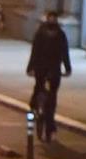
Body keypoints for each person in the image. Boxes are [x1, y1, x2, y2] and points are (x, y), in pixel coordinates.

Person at [26, 9, 72, 141]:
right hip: (44, 69)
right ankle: (36, 107)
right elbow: (35, 51)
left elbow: (64, 53)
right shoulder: (43, 34)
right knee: (40, 89)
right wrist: (31, 67)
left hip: (52, 70)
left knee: (51, 98)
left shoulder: (58, 35)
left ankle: (48, 122)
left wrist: (67, 68)